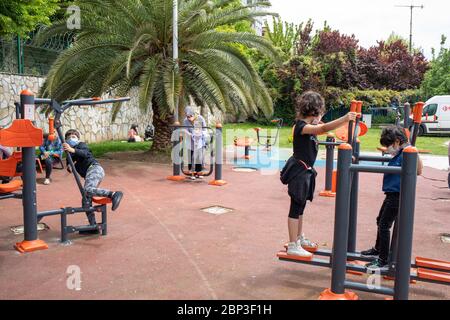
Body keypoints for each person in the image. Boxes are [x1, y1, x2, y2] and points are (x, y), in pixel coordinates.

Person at [281, 91, 357, 257]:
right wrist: (345, 118)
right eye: (321, 112)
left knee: (301, 206)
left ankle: (298, 238)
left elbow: (322, 128)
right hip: (298, 171)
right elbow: (323, 128)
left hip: (306, 171)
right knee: (295, 207)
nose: (322, 115)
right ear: (314, 111)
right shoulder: (301, 126)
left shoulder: (310, 126)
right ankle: (293, 244)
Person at [362, 126, 423, 269]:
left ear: (397, 142)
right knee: (380, 221)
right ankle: (378, 249)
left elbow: (419, 171)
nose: (388, 149)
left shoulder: (407, 153)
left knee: (384, 225)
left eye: (389, 146)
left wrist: (413, 150)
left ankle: (383, 259)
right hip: (391, 194)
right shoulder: (400, 152)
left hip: (397, 196)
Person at [63, 129, 124, 232]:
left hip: (94, 169)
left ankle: (113, 194)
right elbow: (70, 165)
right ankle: (93, 226)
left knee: (87, 190)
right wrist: (69, 165)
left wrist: (72, 150)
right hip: (89, 174)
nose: (71, 139)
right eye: (68, 137)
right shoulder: (70, 154)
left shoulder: (81, 145)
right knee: (86, 200)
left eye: (73, 137)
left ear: (78, 139)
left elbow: (85, 153)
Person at [182, 106, 209, 180]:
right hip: (190, 140)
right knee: (191, 155)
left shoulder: (200, 118)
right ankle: (192, 172)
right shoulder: (185, 121)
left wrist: (200, 134)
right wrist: (189, 134)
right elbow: (185, 130)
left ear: (194, 114)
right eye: (188, 116)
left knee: (198, 157)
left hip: (199, 139)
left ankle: (199, 171)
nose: (189, 118)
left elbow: (205, 129)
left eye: (190, 116)